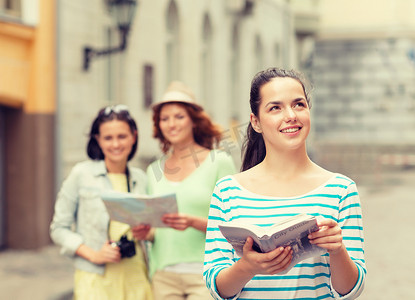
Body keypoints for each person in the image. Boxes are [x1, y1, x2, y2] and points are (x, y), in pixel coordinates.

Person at [203, 68, 366, 299]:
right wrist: (248, 267)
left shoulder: (341, 189)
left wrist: (337, 250)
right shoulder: (227, 191)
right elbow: (217, 289)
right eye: (275, 108)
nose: (291, 115)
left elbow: (350, 290)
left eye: (299, 104)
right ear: (256, 122)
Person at [132, 81, 236, 300]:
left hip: (206, 274)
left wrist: (193, 222)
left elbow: (235, 227)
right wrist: (145, 233)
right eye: (164, 118)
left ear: (193, 121)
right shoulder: (154, 170)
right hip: (163, 276)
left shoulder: (219, 162)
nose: (171, 124)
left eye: (179, 116)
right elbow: (157, 230)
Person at [50, 105, 153, 300]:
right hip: (95, 280)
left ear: (134, 136)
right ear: (98, 139)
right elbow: (58, 228)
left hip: (136, 276)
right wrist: (93, 254)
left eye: (122, 136)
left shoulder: (142, 178)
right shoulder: (81, 174)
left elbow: (153, 227)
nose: (115, 144)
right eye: (108, 138)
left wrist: (148, 233)